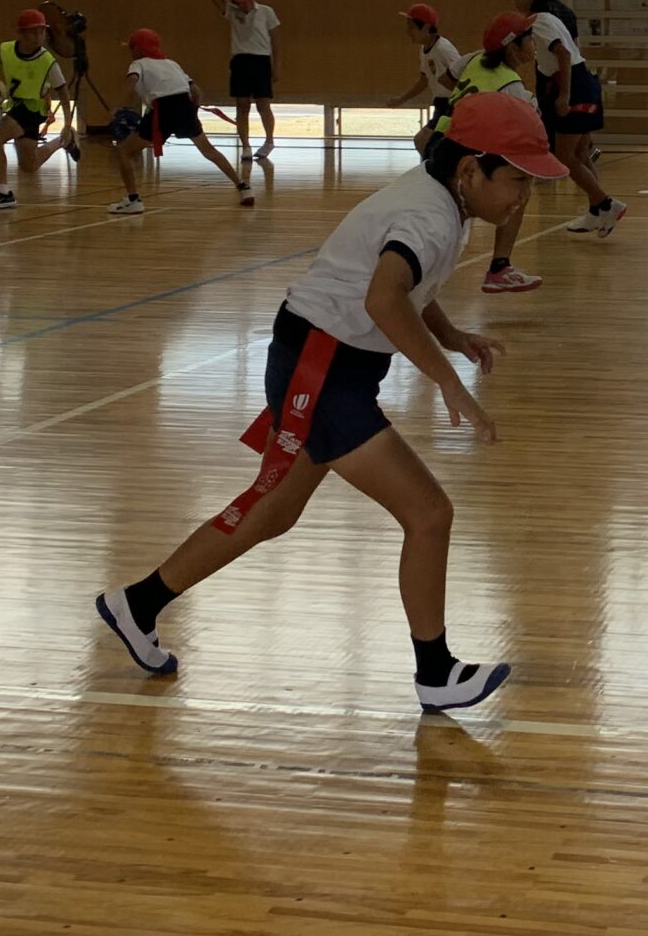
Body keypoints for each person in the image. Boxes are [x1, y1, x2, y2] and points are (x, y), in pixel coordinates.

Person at [94, 94, 564, 709]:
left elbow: (407, 288)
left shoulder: (441, 199)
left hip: (326, 362)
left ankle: (138, 603)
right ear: (471, 170)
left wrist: (455, 339)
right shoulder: (430, 214)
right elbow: (384, 300)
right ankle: (435, 672)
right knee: (429, 515)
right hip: (320, 368)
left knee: (272, 511)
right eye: (517, 181)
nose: (523, 198)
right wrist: (445, 379)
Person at [509, 0, 624, 235]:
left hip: (575, 86)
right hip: (583, 82)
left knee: (564, 157)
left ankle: (607, 204)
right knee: (581, 154)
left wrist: (564, 95)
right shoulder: (549, 16)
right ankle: (597, 212)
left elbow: (562, 53)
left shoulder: (539, 21)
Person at [108, 28, 256, 214]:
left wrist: (116, 107)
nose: (131, 51)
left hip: (162, 110)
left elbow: (131, 81)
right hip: (184, 106)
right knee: (209, 150)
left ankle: (133, 200)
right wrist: (190, 113)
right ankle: (243, 187)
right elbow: (197, 92)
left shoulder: (138, 64)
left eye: (132, 47)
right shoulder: (172, 64)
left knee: (123, 151)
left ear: (138, 48)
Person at [456, 12, 544, 294]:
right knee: (520, 188)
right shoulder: (509, 83)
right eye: (529, 38)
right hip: (469, 153)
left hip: (444, 145)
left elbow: (449, 79)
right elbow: (525, 126)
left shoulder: (474, 61)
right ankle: (500, 266)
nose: (534, 43)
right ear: (512, 47)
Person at [0, 8, 72, 210]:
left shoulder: (47, 60)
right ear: (20, 33)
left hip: (33, 108)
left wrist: (68, 122)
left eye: (41, 32)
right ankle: (63, 142)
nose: (38, 37)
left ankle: (2, 193)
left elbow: (63, 92)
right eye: (32, 32)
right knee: (29, 166)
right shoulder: (3, 50)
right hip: (16, 106)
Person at [212, 0, 280, 165]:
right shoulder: (231, 12)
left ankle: (269, 141)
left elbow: (275, 42)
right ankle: (245, 146)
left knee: (263, 105)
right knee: (242, 106)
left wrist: (276, 66)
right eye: (239, 1)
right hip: (240, 61)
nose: (243, 4)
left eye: (246, 0)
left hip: (261, 61)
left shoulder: (266, 11)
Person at [385, 2, 466, 154]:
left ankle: (435, 175)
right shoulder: (424, 50)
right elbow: (423, 81)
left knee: (424, 143)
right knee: (425, 144)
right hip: (441, 105)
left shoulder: (444, 48)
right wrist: (401, 99)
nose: (408, 32)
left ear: (427, 28)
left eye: (411, 27)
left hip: (453, 106)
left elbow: (464, 75)